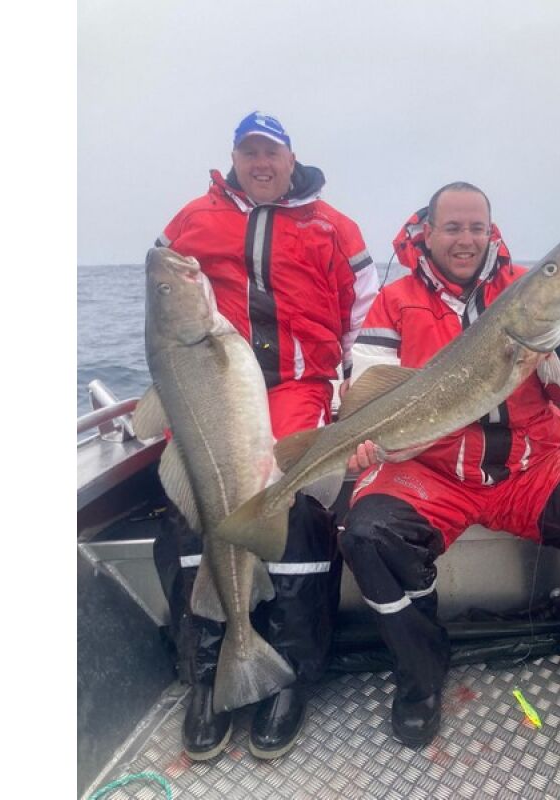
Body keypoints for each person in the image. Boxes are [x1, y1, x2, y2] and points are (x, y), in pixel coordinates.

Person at [338, 182, 560, 749]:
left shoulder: (523, 290)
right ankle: (421, 674)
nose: (465, 239)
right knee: (369, 536)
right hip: (430, 472)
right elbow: (369, 387)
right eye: (452, 227)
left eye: (476, 227)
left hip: (527, 468)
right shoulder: (394, 301)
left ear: (490, 231)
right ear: (427, 232)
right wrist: (363, 440)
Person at [151, 112, 378, 761]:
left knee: (297, 505)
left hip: (299, 386)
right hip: (213, 390)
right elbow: (162, 306)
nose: (260, 163)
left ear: (290, 158)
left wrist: (352, 393)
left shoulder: (335, 227)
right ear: (234, 158)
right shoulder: (192, 220)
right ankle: (205, 673)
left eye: (270, 153)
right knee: (188, 510)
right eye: (249, 152)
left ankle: (289, 673)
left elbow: (365, 314)